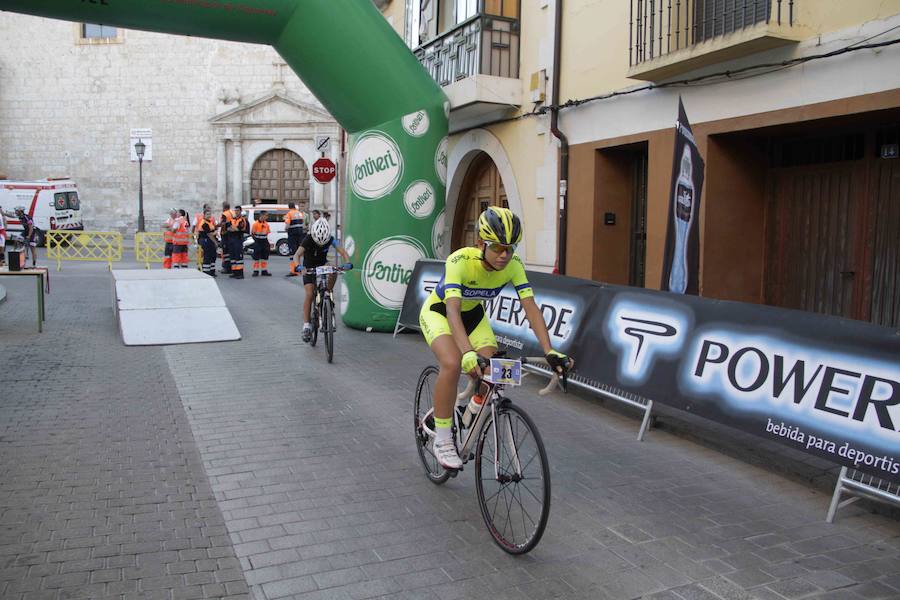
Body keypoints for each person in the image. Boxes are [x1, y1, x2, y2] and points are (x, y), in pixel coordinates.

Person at [418, 206, 572, 470]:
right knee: (454, 363)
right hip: (440, 312)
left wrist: (550, 350)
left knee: (492, 371)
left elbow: (531, 308)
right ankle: (443, 439)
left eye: (510, 249)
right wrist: (466, 351)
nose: (504, 255)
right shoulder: (460, 261)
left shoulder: (513, 266)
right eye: (498, 248)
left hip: (475, 316)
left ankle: (470, 414)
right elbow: (453, 310)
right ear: (480, 243)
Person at [291, 218, 352, 342]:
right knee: (309, 294)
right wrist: (298, 266)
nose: (320, 245)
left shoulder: (330, 238)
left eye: (323, 243)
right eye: (318, 242)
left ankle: (328, 291)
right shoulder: (308, 239)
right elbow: (297, 255)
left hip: (322, 264)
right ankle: (306, 326)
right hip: (308, 267)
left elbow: (343, 252)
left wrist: (348, 262)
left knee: (333, 269)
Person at [225, 205, 248, 279]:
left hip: (238, 239)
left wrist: (233, 228)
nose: (236, 212)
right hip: (231, 239)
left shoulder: (242, 220)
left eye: (238, 210)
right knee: (233, 256)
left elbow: (239, 229)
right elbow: (227, 228)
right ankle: (234, 272)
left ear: (240, 211)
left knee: (238, 257)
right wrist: (233, 228)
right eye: (235, 210)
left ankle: (240, 273)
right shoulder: (232, 219)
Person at [284, 202, 305, 277]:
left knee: (292, 253)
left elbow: (287, 225)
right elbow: (302, 223)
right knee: (298, 253)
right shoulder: (300, 213)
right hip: (300, 235)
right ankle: (299, 270)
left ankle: (293, 270)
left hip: (292, 235)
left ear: (289, 207)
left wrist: (286, 229)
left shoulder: (289, 214)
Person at [196, 207, 218, 277]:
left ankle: (212, 272)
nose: (209, 215)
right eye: (207, 214)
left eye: (210, 214)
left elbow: (212, 231)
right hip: (206, 241)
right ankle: (206, 273)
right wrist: (215, 242)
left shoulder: (209, 222)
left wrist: (214, 232)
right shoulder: (204, 223)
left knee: (212, 256)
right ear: (204, 215)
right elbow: (209, 234)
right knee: (207, 257)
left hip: (209, 241)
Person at [250, 211, 272, 277]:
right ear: (261, 216)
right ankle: (255, 271)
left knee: (264, 257)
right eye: (266, 215)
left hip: (264, 241)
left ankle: (264, 270)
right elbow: (253, 234)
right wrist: (256, 242)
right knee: (256, 257)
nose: (267, 217)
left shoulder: (266, 224)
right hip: (258, 241)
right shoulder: (255, 224)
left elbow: (267, 233)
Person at [219, 202, 232, 274]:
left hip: (225, 235)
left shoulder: (225, 214)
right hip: (231, 235)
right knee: (230, 252)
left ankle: (226, 268)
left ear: (224, 207)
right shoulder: (232, 212)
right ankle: (231, 267)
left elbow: (223, 224)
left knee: (226, 252)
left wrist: (217, 226)